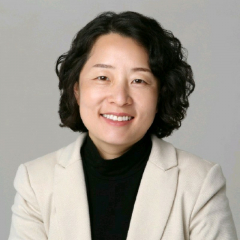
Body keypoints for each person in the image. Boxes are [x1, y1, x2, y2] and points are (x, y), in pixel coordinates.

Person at [8, 11, 237, 240]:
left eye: (139, 81)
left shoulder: (200, 183)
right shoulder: (35, 181)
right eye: (102, 78)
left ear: (160, 95)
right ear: (76, 90)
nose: (120, 98)